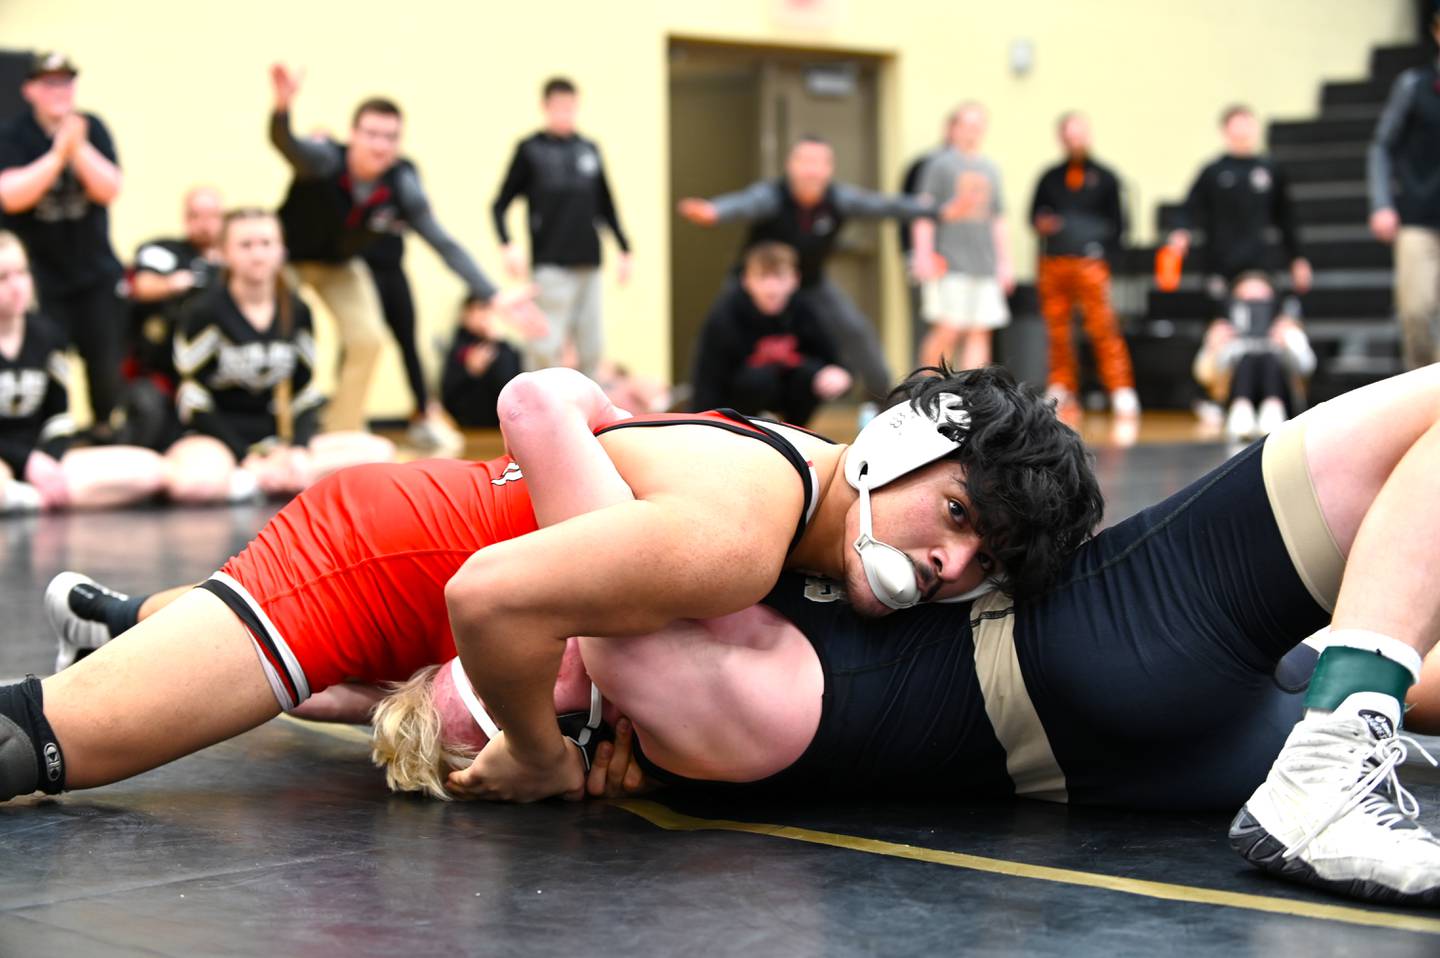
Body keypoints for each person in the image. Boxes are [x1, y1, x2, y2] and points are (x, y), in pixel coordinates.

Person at [35, 361, 1440, 909]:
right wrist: (524, 735)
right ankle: (1353, 714)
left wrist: (524, 738)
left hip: (1130, 717)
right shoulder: (732, 628)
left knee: (1368, 674)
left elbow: (465, 627)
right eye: (954, 532)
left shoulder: (743, 567)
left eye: (969, 551)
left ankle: (1354, 708)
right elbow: (504, 580)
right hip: (1107, 663)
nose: (944, 564)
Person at [268, 64, 532, 433]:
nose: (381, 145)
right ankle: (278, 429)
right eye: (372, 134)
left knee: (368, 338)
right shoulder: (325, 159)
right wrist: (282, 107)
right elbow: (287, 144)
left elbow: (443, 243)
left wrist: (492, 294)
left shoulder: (402, 184)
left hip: (340, 265)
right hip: (287, 261)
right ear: (353, 135)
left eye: (390, 137)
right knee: (281, 338)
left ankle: (340, 431)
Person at [678, 136, 936, 409]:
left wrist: (934, 209)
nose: (811, 170)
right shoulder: (772, 197)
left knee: (855, 330)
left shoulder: (839, 199)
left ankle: (889, 404)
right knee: (713, 335)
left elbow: (884, 206)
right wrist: (713, 211)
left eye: (819, 163)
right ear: (791, 165)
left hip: (811, 284)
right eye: (805, 162)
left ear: (830, 168)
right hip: (753, 284)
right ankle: (697, 408)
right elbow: (745, 203)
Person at [167, 208, 394, 503]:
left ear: (281, 251)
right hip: (215, 438)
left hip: (271, 443)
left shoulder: (297, 310)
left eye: (266, 244)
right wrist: (245, 458)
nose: (258, 255)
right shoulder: (204, 312)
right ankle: (258, 480)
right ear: (223, 253)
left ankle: (265, 481)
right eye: (246, 245)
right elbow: (191, 398)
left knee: (379, 452)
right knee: (192, 485)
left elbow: (305, 392)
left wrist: (297, 449)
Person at [0, 52, 125, 435]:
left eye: (66, 81)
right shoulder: (14, 135)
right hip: (39, 277)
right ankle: (51, 439)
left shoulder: (92, 128)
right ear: (29, 89)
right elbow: (11, 195)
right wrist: (58, 154)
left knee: (105, 366)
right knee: (46, 363)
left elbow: (109, 188)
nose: (60, 90)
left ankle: (106, 432)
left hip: (94, 274)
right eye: (50, 82)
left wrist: (78, 147)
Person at [0, 231, 165, 514]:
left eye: (22, 273)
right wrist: (26, 461)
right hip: (9, 456)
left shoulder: (47, 335)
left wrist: (48, 461)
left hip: (40, 456)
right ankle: (28, 497)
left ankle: (31, 500)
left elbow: (59, 416)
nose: (17, 286)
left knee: (150, 469)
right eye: (3, 278)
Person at [492, 77, 632, 376]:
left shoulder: (588, 149)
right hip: (551, 263)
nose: (565, 113)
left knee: (592, 345)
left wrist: (624, 248)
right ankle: (537, 414)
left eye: (570, 107)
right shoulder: (530, 150)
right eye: (559, 107)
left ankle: (590, 418)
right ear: (545, 107)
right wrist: (508, 245)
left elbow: (606, 205)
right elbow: (499, 204)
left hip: (589, 262)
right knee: (545, 345)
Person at [1029, 112, 1138, 425]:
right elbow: (1034, 216)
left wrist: (1106, 258)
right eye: (1069, 135)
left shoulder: (1105, 177)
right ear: (1061, 139)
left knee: (1102, 325)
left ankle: (1121, 388)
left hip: (1091, 262)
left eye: (1080, 135)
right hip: (1054, 263)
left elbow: (1119, 225)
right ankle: (1062, 385)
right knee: (1058, 328)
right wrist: (1046, 224)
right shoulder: (1049, 177)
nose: (1075, 141)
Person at [1166, 105, 1312, 309]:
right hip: (1220, 261)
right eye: (1237, 127)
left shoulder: (1270, 170)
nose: (1243, 132)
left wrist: (1298, 258)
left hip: (1259, 259)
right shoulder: (1213, 172)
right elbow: (1190, 207)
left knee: (1262, 315)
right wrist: (1180, 232)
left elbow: (1286, 218)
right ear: (1226, 131)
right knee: (1221, 323)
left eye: (1247, 125)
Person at [690, 241, 850, 426]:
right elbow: (708, 378)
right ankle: (747, 431)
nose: (771, 287)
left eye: (779, 277)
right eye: (762, 277)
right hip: (737, 405)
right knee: (759, 379)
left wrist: (838, 374)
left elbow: (832, 359)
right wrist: (704, 424)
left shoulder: (804, 310)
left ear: (794, 280)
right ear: (746, 281)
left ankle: (795, 433)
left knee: (811, 376)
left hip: (788, 395)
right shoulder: (725, 316)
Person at [911, 102, 1014, 371]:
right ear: (953, 128)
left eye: (977, 126)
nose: (972, 132)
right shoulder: (938, 165)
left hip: (984, 264)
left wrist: (1005, 263)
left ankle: (971, 399)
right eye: (966, 125)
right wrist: (923, 254)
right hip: (949, 262)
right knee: (948, 328)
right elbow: (924, 212)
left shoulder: (990, 168)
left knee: (980, 331)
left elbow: (997, 219)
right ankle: (925, 390)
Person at [122, 186, 225, 450]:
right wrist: (177, 283)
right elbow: (142, 286)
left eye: (212, 216)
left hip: (214, 375)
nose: (204, 224)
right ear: (185, 218)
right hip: (161, 372)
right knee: (147, 411)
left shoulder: (231, 261)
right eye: (196, 216)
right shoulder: (165, 251)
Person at [1367, 7, 1440, 370]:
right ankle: (1420, 398)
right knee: (1415, 312)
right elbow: (1381, 146)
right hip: (1418, 218)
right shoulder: (1413, 85)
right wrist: (1382, 203)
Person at [1193, 272, 1315, 441]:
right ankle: (1241, 410)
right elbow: (1204, 375)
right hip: (1235, 398)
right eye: (1247, 299)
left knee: (1268, 360)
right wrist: (1214, 347)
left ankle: (1272, 409)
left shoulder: (1285, 328)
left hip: (1282, 401)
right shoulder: (1224, 331)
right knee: (1248, 361)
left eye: (1261, 300)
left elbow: (1306, 367)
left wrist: (1290, 341)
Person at [440, 299, 524, 429]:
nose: (482, 315)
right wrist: (469, 372)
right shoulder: (457, 348)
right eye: (476, 309)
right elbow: (447, 394)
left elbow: (512, 387)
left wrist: (499, 343)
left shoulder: (505, 348)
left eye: (486, 309)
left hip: (501, 425)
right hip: (467, 426)